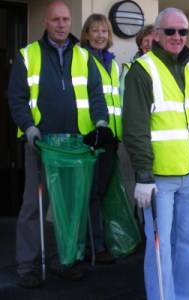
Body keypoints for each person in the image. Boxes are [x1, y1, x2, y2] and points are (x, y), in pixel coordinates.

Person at [7, 0, 110, 288]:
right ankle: (27, 266)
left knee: (69, 206)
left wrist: (101, 125)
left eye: (66, 19)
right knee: (34, 206)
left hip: (76, 146)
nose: (62, 24)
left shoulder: (83, 56)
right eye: (56, 20)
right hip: (41, 145)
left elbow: (96, 96)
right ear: (45, 21)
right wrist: (29, 129)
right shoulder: (28, 55)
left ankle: (63, 261)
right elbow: (16, 99)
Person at [122, 7, 189, 299]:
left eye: (182, 31)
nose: (176, 36)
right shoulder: (142, 70)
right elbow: (135, 127)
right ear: (156, 34)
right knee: (160, 247)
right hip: (160, 178)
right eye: (170, 31)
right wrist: (143, 174)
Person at [80, 13, 122, 265]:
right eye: (95, 31)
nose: (99, 36)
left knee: (102, 192)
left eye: (104, 31)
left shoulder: (113, 63)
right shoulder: (82, 59)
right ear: (86, 34)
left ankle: (100, 242)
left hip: (111, 137)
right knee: (91, 194)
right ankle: (92, 247)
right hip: (91, 137)